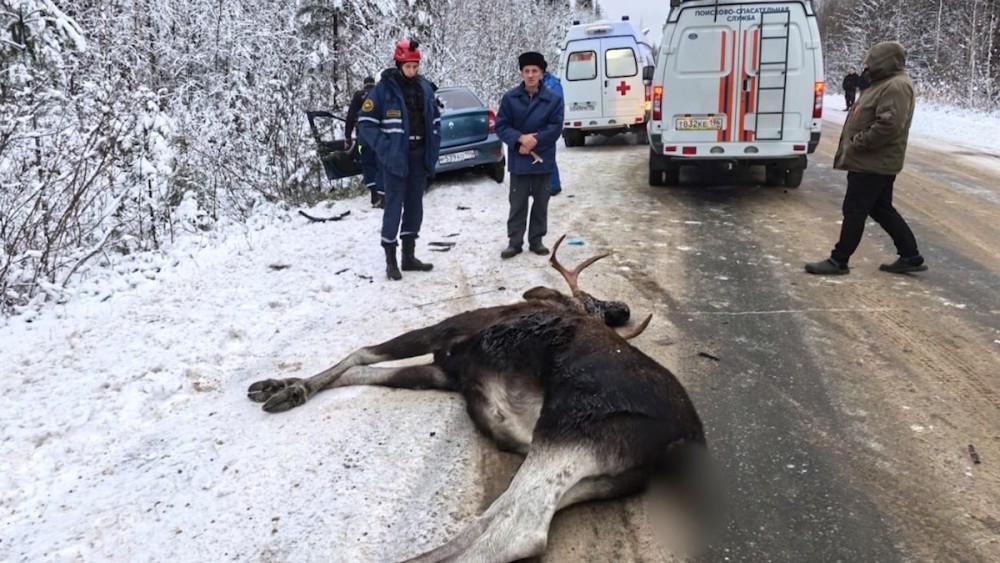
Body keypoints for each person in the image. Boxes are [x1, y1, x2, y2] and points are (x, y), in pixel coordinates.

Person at [805, 41, 927, 276]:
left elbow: (888, 125)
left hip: (873, 161)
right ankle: (910, 255)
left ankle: (838, 260)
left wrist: (858, 143)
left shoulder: (895, 86)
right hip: (875, 161)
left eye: (871, 62)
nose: (867, 66)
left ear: (885, 62)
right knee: (880, 209)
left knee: (854, 210)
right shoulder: (883, 83)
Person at [357, 39, 442, 281]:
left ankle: (408, 257)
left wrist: (433, 147)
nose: (412, 71)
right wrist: (384, 147)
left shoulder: (425, 88)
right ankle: (391, 261)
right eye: (408, 67)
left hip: (419, 156)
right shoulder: (383, 90)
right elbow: (365, 122)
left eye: (415, 67)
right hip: (395, 159)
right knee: (393, 207)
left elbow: (435, 121)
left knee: (415, 207)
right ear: (399, 63)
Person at [495, 51, 564, 259]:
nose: (531, 75)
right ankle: (514, 242)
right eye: (527, 71)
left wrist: (535, 141)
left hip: (543, 159)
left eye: (535, 71)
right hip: (519, 160)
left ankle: (537, 240)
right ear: (521, 73)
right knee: (517, 203)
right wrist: (519, 140)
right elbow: (501, 126)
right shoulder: (509, 99)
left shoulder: (553, 100)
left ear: (542, 74)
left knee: (541, 202)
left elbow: (555, 128)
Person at [345, 76, 382, 208]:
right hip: (379, 136)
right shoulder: (379, 93)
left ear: (363, 85)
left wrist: (347, 138)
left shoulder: (358, 95)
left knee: (367, 163)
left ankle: (374, 195)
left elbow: (350, 117)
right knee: (380, 163)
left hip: (363, 138)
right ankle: (384, 194)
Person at [541, 70, 564, 195]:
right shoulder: (546, 83)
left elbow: (554, 105)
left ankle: (554, 185)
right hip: (544, 124)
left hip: (549, 125)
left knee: (547, 155)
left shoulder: (552, 85)